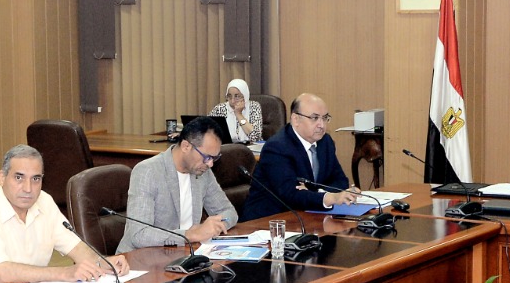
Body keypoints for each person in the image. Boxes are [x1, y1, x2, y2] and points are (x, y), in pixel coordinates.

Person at [0, 145, 129, 283]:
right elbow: (1, 273)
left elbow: (76, 248)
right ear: (2, 177)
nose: (28, 188)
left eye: (35, 179)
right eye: (19, 177)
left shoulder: (44, 201)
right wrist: (65, 273)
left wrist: (102, 262)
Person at [117, 116, 237, 253]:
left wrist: (214, 226)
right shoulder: (148, 171)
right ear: (186, 146)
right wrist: (190, 235)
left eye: (214, 158)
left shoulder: (203, 172)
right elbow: (139, 234)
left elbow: (229, 212)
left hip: (184, 254)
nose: (210, 164)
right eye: (207, 157)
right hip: (141, 258)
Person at [242, 93, 360, 222]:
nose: (321, 125)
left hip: (308, 216)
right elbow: (290, 195)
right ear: (296, 119)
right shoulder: (277, 147)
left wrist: (316, 192)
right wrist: (330, 197)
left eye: (325, 118)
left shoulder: (325, 142)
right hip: (268, 222)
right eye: (314, 118)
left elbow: (340, 181)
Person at [208, 78, 262, 143]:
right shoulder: (220, 108)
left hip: (250, 147)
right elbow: (206, 131)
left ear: (245, 96)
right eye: (229, 96)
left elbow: (255, 137)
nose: (232, 101)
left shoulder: (254, 107)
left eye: (237, 96)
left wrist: (239, 114)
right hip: (227, 147)